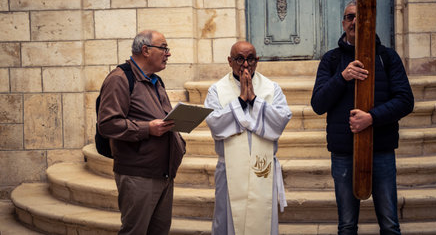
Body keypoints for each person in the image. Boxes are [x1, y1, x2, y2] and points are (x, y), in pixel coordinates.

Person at [310, 0, 414, 235]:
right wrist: (342, 77)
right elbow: (318, 104)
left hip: (381, 150)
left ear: (372, 21)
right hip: (344, 152)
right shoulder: (332, 60)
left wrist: (372, 118)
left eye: (361, 16)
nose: (355, 21)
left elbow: (405, 101)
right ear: (343, 23)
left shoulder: (387, 57)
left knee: (389, 224)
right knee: (346, 226)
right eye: (349, 17)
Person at [97, 30, 186, 235]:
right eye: (163, 48)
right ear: (146, 50)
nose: (168, 53)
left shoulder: (156, 81)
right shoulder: (120, 79)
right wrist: (148, 128)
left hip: (164, 172)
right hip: (138, 174)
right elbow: (108, 124)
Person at [204, 41, 292, 235]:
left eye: (250, 59)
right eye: (239, 59)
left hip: (263, 166)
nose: (245, 65)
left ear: (257, 60)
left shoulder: (271, 88)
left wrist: (254, 99)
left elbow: (281, 120)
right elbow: (215, 123)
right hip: (230, 168)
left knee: (262, 218)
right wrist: (241, 101)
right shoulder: (216, 90)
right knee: (228, 221)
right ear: (229, 61)